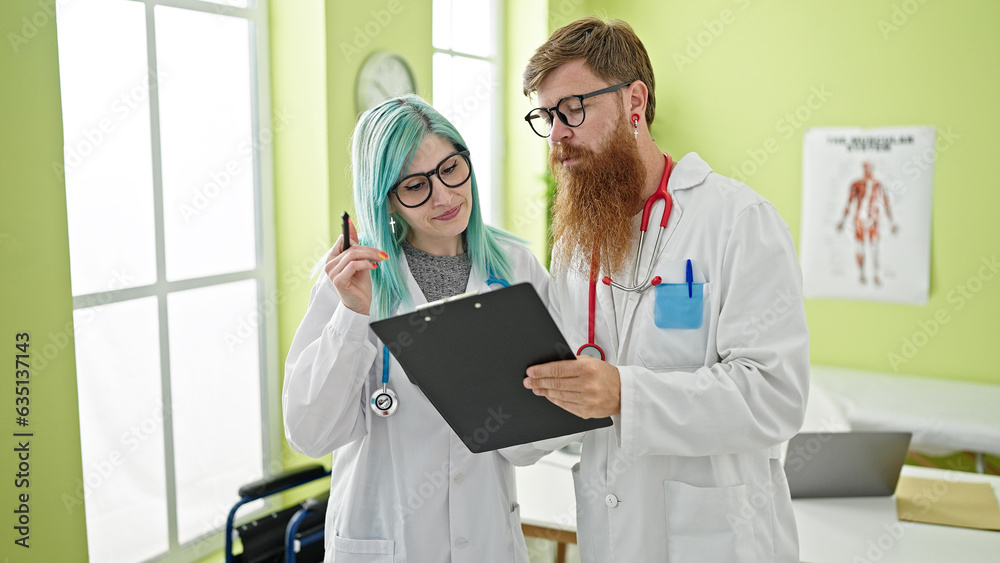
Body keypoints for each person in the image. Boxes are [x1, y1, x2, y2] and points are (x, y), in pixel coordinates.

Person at [520, 17, 810, 563]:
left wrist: (628, 393)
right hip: (611, 535)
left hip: (719, 539)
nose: (558, 134)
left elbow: (775, 395)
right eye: (547, 116)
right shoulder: (575, 243)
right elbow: (567, 382)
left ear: (634, 100)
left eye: (573, 109)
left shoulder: (738, 221)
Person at [283, 94, 552, 562]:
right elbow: (310, 434)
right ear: (386, 197)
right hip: (385, 540)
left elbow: (540, 434)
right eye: (415, 185)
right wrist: (351, 315)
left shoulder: (516, 268)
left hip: (486, 540)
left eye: (450, 168)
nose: (444, 196)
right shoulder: (351, 282)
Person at [836, 161, 898, 285]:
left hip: (873, 219)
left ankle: (875, 275)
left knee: (874, 248)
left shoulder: (878, 185)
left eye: (870, 168)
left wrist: (891, 222)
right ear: (864, 169)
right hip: (859, 218)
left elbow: (885, 203)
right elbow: (849, 202)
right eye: (866, 168)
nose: (868, 170)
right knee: (860, 247)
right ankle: (862, 274)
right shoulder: (857, 184)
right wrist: (842, 221)